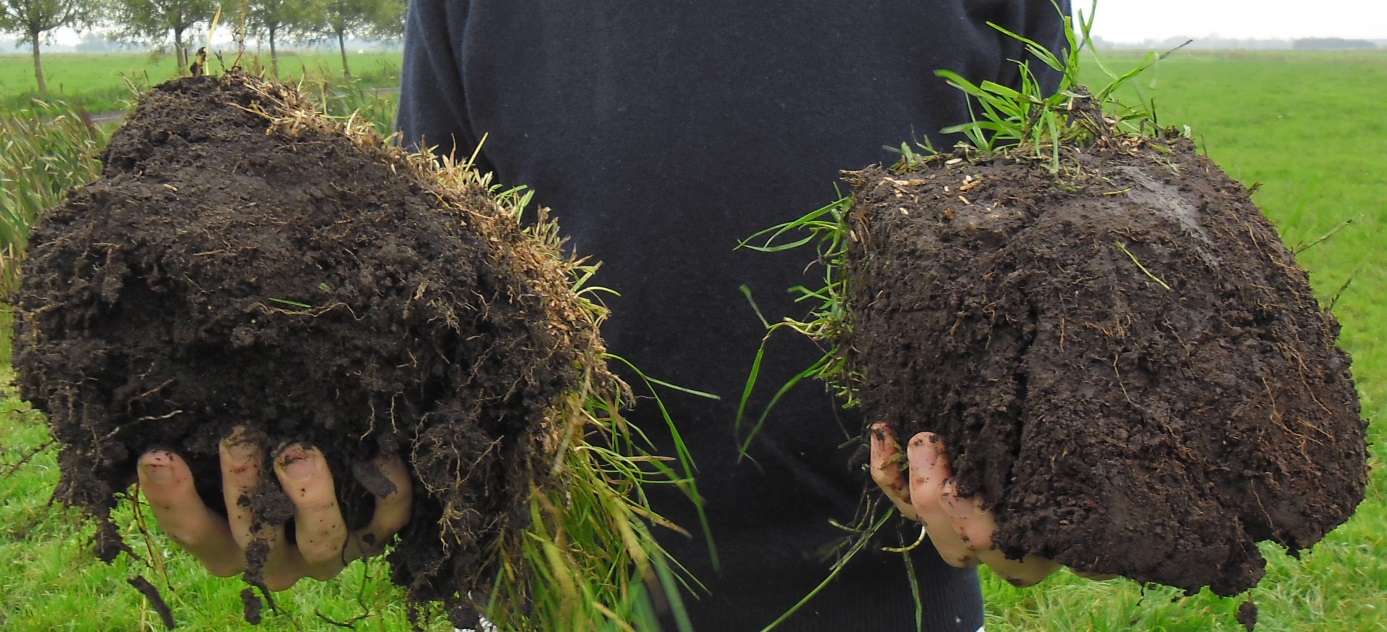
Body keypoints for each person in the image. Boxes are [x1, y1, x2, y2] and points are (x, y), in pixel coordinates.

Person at [138, 1, 1075, 628]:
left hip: (891, 596)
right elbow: (426, 294)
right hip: (561, 588)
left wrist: (1045, 487)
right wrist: (339, 472)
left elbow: (1041, 261)